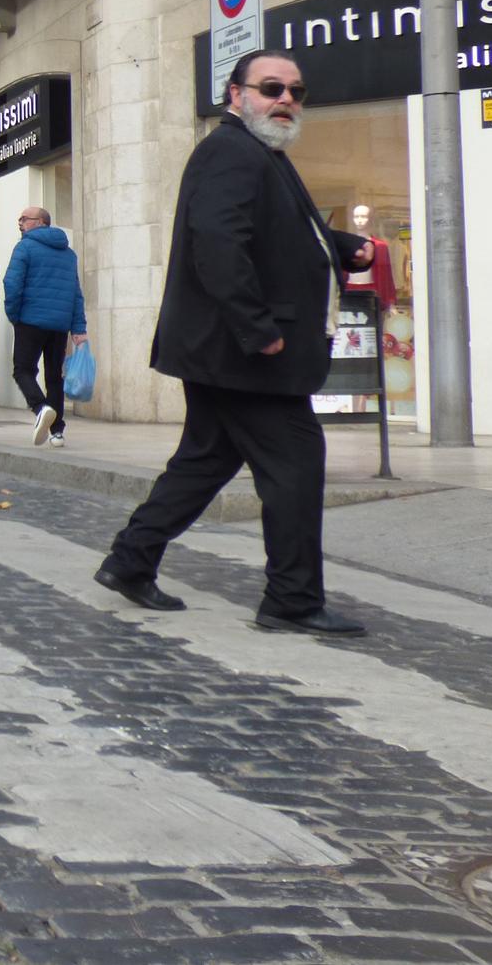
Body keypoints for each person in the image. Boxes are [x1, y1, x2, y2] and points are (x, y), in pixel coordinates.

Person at [95, 50, 375, 637]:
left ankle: (131, 560)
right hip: (244, 354)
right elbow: (218, 242)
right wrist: (258, 329)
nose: (286, 100)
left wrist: (342, 246)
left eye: (297, 91)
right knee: (297, 465)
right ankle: (292, 601)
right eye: (272, 87)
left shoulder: (260, 153)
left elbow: (285, 229)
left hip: (227, 354)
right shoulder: (230, 151)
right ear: (236, 93)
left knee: (205, 460)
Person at [3, 207, 88, 447]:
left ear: (40, 222)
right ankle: (57, 431)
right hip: (59, 326)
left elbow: (12, 283)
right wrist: (78, 327)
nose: (20, 222)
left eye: (24, 219)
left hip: (30, 320)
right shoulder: (69, 254)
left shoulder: (25, 247)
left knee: (23, 370)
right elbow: (76, 294)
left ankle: (41, 408)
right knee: (54, 376)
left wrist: (14, 315)